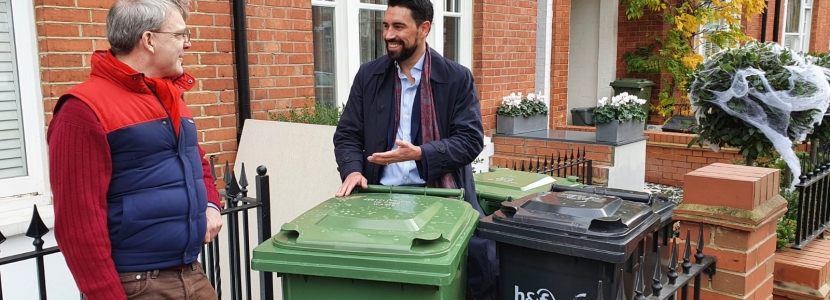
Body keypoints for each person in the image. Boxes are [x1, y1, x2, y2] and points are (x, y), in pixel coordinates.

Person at [47, 0, 222, 299]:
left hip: (191, 273)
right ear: (149, 40)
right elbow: (78, 224)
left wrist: (211, 204)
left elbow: (196, 160)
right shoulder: (83, 110)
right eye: (180, 34)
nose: (188, 44)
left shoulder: (167, 94)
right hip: (138, 284)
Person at [332, 0, 498, 299]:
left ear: (424, 29)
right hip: (378, 198)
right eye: (385, 26)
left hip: (440, 198)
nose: (388, 35)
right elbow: (347, 134)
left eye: (398, 27)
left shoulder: (456, 78)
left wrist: (421, 154)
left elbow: (471, 139)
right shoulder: (369, 76)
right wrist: (353, 170)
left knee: (479, 262)